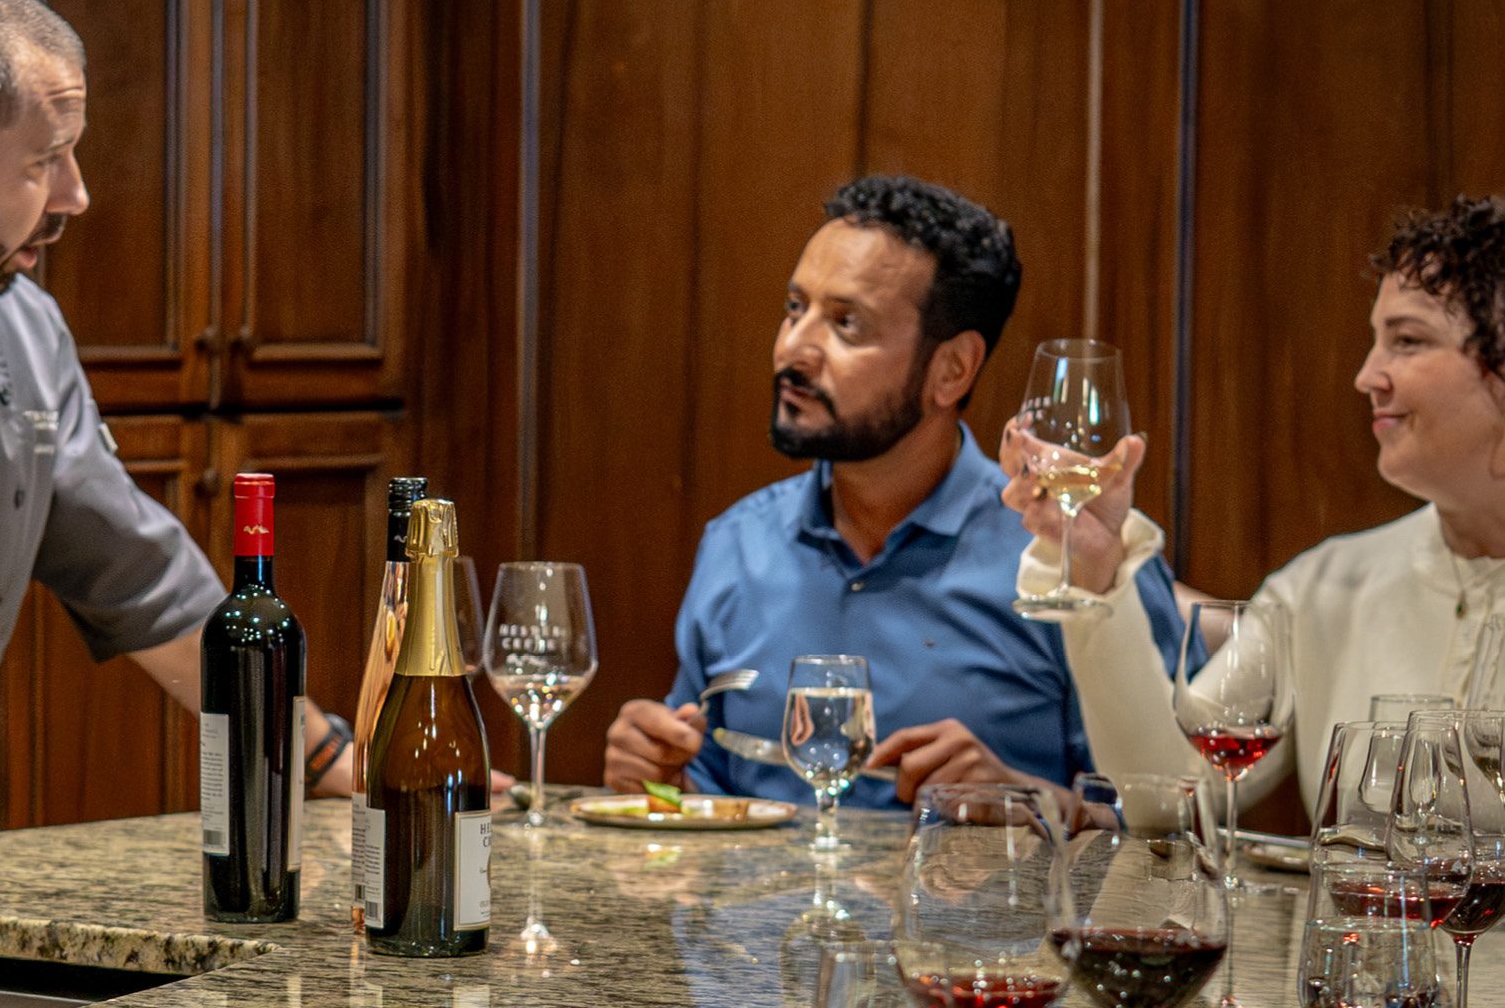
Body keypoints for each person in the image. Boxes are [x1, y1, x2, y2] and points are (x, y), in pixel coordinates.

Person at [0, 0, 355, 866]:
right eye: (45, 162)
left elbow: (146, 584)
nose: (76, 194)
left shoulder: (26, 335)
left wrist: (334, 758)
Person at [602, 175, 1190, 808]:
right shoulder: (736, 545)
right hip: (755, 909)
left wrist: (1025, 801)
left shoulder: (1076, 557)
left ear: (951, 371)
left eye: (846, 324)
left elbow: (1175, 832)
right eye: (795, 308)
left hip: (975, 908)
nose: (792, 349)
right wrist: (657, 778)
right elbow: (701, 800)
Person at [1000, 195, 1505, 816]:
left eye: (1406, 340)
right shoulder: (1323, 588)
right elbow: (1169, 798)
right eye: (1377, 341)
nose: (1368, 374)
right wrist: (1100, 571)